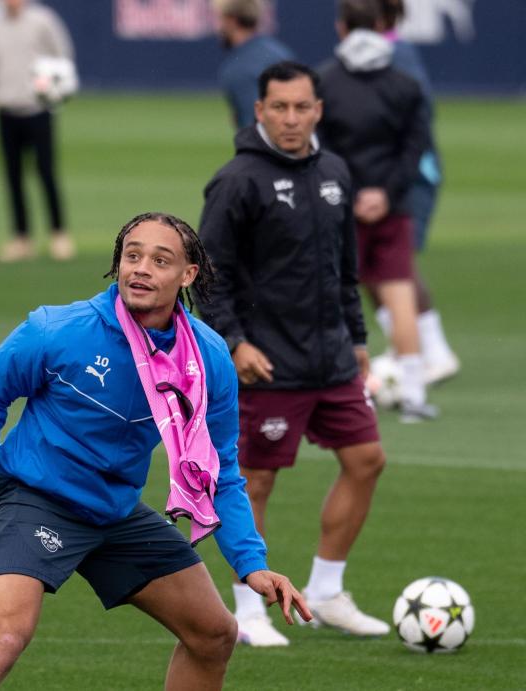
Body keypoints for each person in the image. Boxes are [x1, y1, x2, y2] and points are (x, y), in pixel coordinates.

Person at [0, 211, 311, 689]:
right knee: (4, 639)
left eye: (160, 260)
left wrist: (253, 566)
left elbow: (218, 470)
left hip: (115, 512)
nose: (141, 268)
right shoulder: (58, 330)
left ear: (188, 275)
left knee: (214, 633)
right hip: (35, 499)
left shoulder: (208, 360)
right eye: (132, 255)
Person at [198, 61, 390, 646]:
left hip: (331, 357)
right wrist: (235, 343)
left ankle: (327, 592)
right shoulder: (237, 180)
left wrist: (357, 338)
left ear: (318, 111)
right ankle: (248, 609)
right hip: (269, 365)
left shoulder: (334, 171)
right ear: (259, 111)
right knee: (254, 482)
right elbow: (207, 275)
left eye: (301, 107)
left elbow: (344, 268)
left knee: (367, 460)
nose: (290, 118)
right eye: (278, 107)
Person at [317, 0, 437, 422]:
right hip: (394, 205)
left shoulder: (324, 83)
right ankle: (414, 395)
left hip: (339, 205)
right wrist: (385, 193)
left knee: (334, 296)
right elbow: (415, 147)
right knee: (399, 293)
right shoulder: (406, 84)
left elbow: (321, 148)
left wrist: (350, 194)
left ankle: (346, 392)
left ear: (341, 28)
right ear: (384, 26)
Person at [372, 0, 460, 385]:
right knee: (377, 264)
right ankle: (411, 346)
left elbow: (412, 123)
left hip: (407, 176)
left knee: (393, 263)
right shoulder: (389, 52)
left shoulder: (396, 56)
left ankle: (430, 351)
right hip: (398, 174)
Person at [0, 0, 75, 262]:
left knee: (45, 171)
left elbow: (62, 54)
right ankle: (21, 237)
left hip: (37, 108)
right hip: (5, 109)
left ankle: (59, 234)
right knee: (13, 175)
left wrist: (54, 93)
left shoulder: (42, 21)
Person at [212, 0, 294, 130]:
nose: (217, 28)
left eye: (220, 19)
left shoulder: (237, 68)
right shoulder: (280, 52)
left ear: (231, 20)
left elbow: (256, 126)